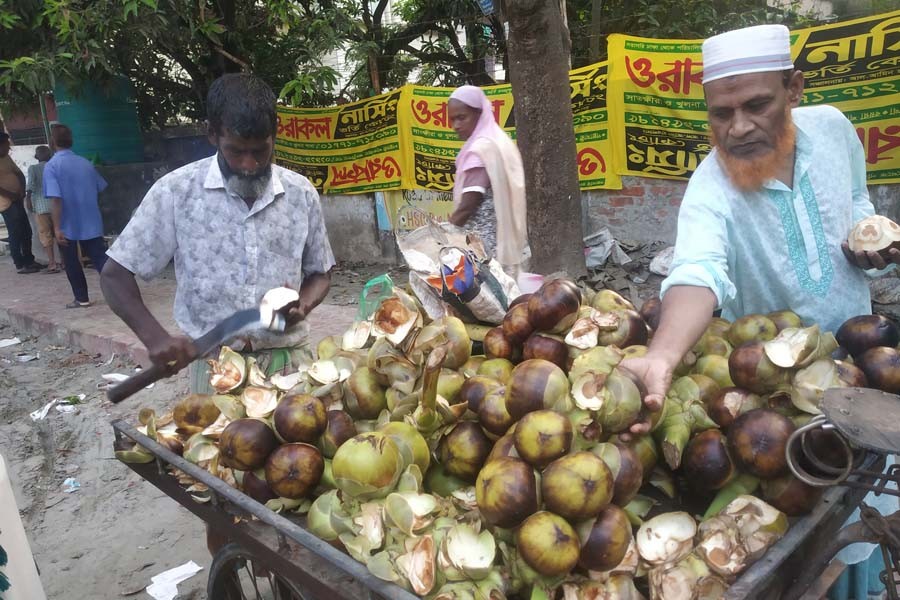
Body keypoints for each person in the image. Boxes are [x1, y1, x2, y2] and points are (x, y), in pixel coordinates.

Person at [620, 24, 898, 598]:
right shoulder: (711, 189)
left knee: (861, 526)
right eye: (721, 113)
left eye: (756, 105)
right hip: (779, 408)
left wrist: (865, 246)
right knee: (813, 531)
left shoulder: (835, 130)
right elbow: (697, 271)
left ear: (793, 90)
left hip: (861, 369)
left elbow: (856, 203)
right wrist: (663, 355)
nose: (738, 127)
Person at [100, 72, 334, 396]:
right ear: (212, 134)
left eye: (260, 151)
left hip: (290, 368)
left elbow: (320, 273)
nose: (249, 164)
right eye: (236, 151)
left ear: (275, 133)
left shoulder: (300, 193)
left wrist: (304, 306)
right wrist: (155, 338)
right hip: (214, 372)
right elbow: (114, 276)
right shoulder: (176, 192)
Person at [447, 85, 529, 276]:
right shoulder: (497, 139)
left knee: (487, 299)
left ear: (479, 114)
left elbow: (468, 205)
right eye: (452, 119)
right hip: (501, 236)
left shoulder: (481, 148)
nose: (456, 126)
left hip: (484, 247)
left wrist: (445, 236)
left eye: (461, 117)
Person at [43, 124, 109, 307]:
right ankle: (123, 293)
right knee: (101, 259)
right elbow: (100, 188)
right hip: (91, 219)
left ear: (53, 142)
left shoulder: (52, 166)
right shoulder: (85, 163)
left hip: (67, 223)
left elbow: (56, 199)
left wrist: (56, 227)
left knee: (71, 261)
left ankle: (81, 298)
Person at [0, 132, 42, 274]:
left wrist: (22, 190)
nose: (8, 148)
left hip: (17, 199)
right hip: (6, 203)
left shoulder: (6, 158)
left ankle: (29, 259)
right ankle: (20, 263)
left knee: (26, 230)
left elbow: (18, 173)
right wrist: (11, 195)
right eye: (6, 145)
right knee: (15, 233)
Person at [25, 145, 60, 273]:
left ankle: (52, 263)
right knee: (59, 233)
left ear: (36, 156)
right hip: (55, 205)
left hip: (40, 207)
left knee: (46, 235)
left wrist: (28, 199)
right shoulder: (54, 166)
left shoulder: (33, 168)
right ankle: (65, 262)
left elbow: (31, 185)